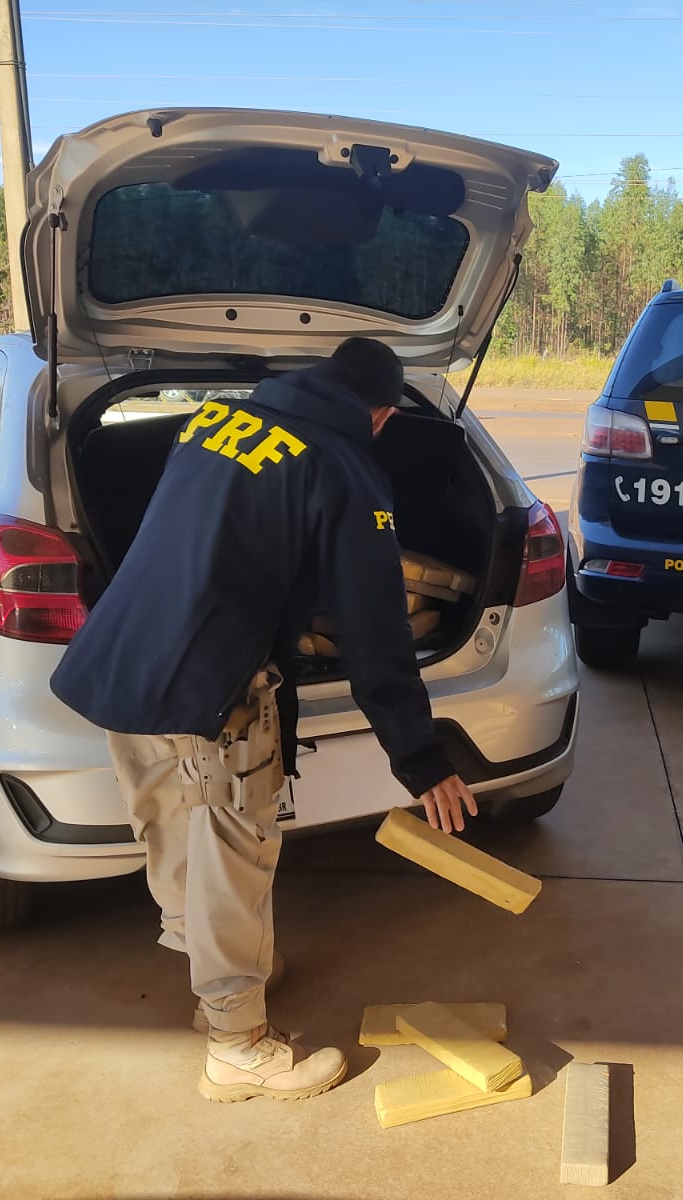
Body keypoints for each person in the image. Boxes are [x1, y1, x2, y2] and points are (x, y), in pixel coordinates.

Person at [51, 337, 478, 1104]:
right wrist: (420, 757)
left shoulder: (213, 421)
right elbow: (378, 633)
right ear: (379, 413)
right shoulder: (345, 467)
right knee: (233, 858)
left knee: (173, 835)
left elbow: (221, 532)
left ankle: (213, 979)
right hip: (211, 684)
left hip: (121, 658)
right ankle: (238, 1045)